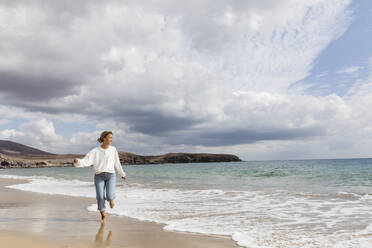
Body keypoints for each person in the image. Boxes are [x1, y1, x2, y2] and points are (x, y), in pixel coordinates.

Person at [73, 131, 126, 223]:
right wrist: (78, 162)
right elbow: (86, 161)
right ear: (104, 138)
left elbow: (117, 163)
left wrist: (122, 174)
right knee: (100, 197)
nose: (111, 140)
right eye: (109, 137)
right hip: (99, 176)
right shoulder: (95, 151)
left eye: (112, 138)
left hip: (111, 175)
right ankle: (103, 215)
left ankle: (111, 199)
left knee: (109, 196)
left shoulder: (113, 149)